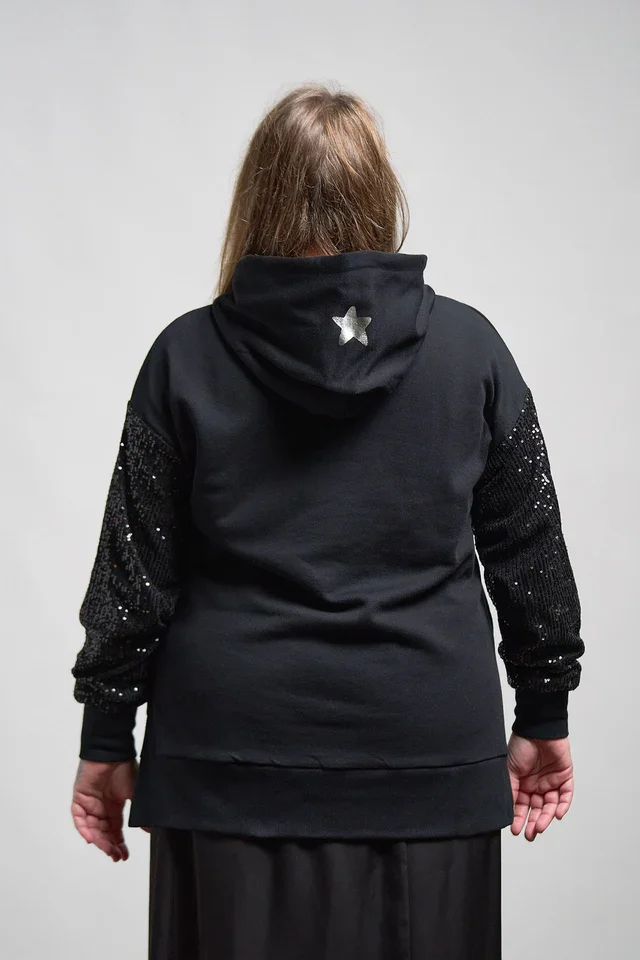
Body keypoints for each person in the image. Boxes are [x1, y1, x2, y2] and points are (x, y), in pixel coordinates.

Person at [70, 82, 585, 960]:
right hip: (425, 763)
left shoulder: (185, 356)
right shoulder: (472, 353)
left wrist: (106, 737)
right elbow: (529, 550)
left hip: (226, 766)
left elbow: (136, 573)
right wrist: (543, 711)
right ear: (381, 195)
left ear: (256, 199)